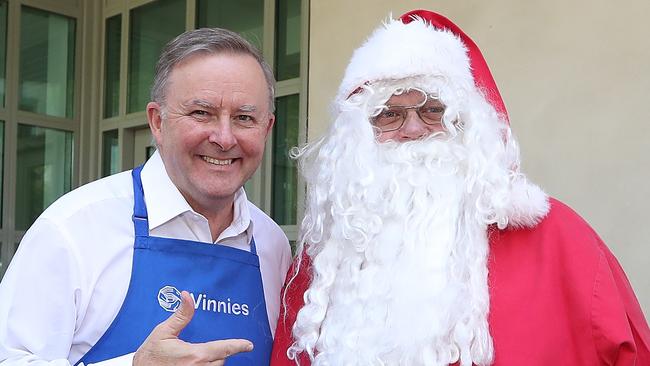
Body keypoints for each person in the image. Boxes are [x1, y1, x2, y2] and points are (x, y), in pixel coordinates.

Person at [270, 9, 650, 366]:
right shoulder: (324, 267)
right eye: (388, 114)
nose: (413, 129)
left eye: (434, 110)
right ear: (356, 138)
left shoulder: (560, 242)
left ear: (472, 125)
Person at [0, 28, 292, 365]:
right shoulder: (74, 230)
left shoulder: (273, 245)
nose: (224, 138)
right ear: (157, 121)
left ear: (267, 128)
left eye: (244, 118)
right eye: (202, 113)